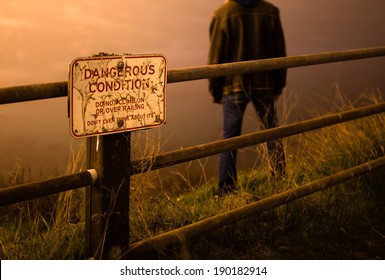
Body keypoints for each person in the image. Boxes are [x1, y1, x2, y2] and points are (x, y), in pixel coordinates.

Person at [208, 0, 287, 196]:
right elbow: (280, 52)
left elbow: (216, 57)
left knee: (229, 139)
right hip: (265, 82)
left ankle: (226, 191)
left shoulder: (223, 13)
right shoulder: (271, 12)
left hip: (234, 84)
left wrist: (216, 90)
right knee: (271, 134)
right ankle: (280, 183)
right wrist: (278, 84)